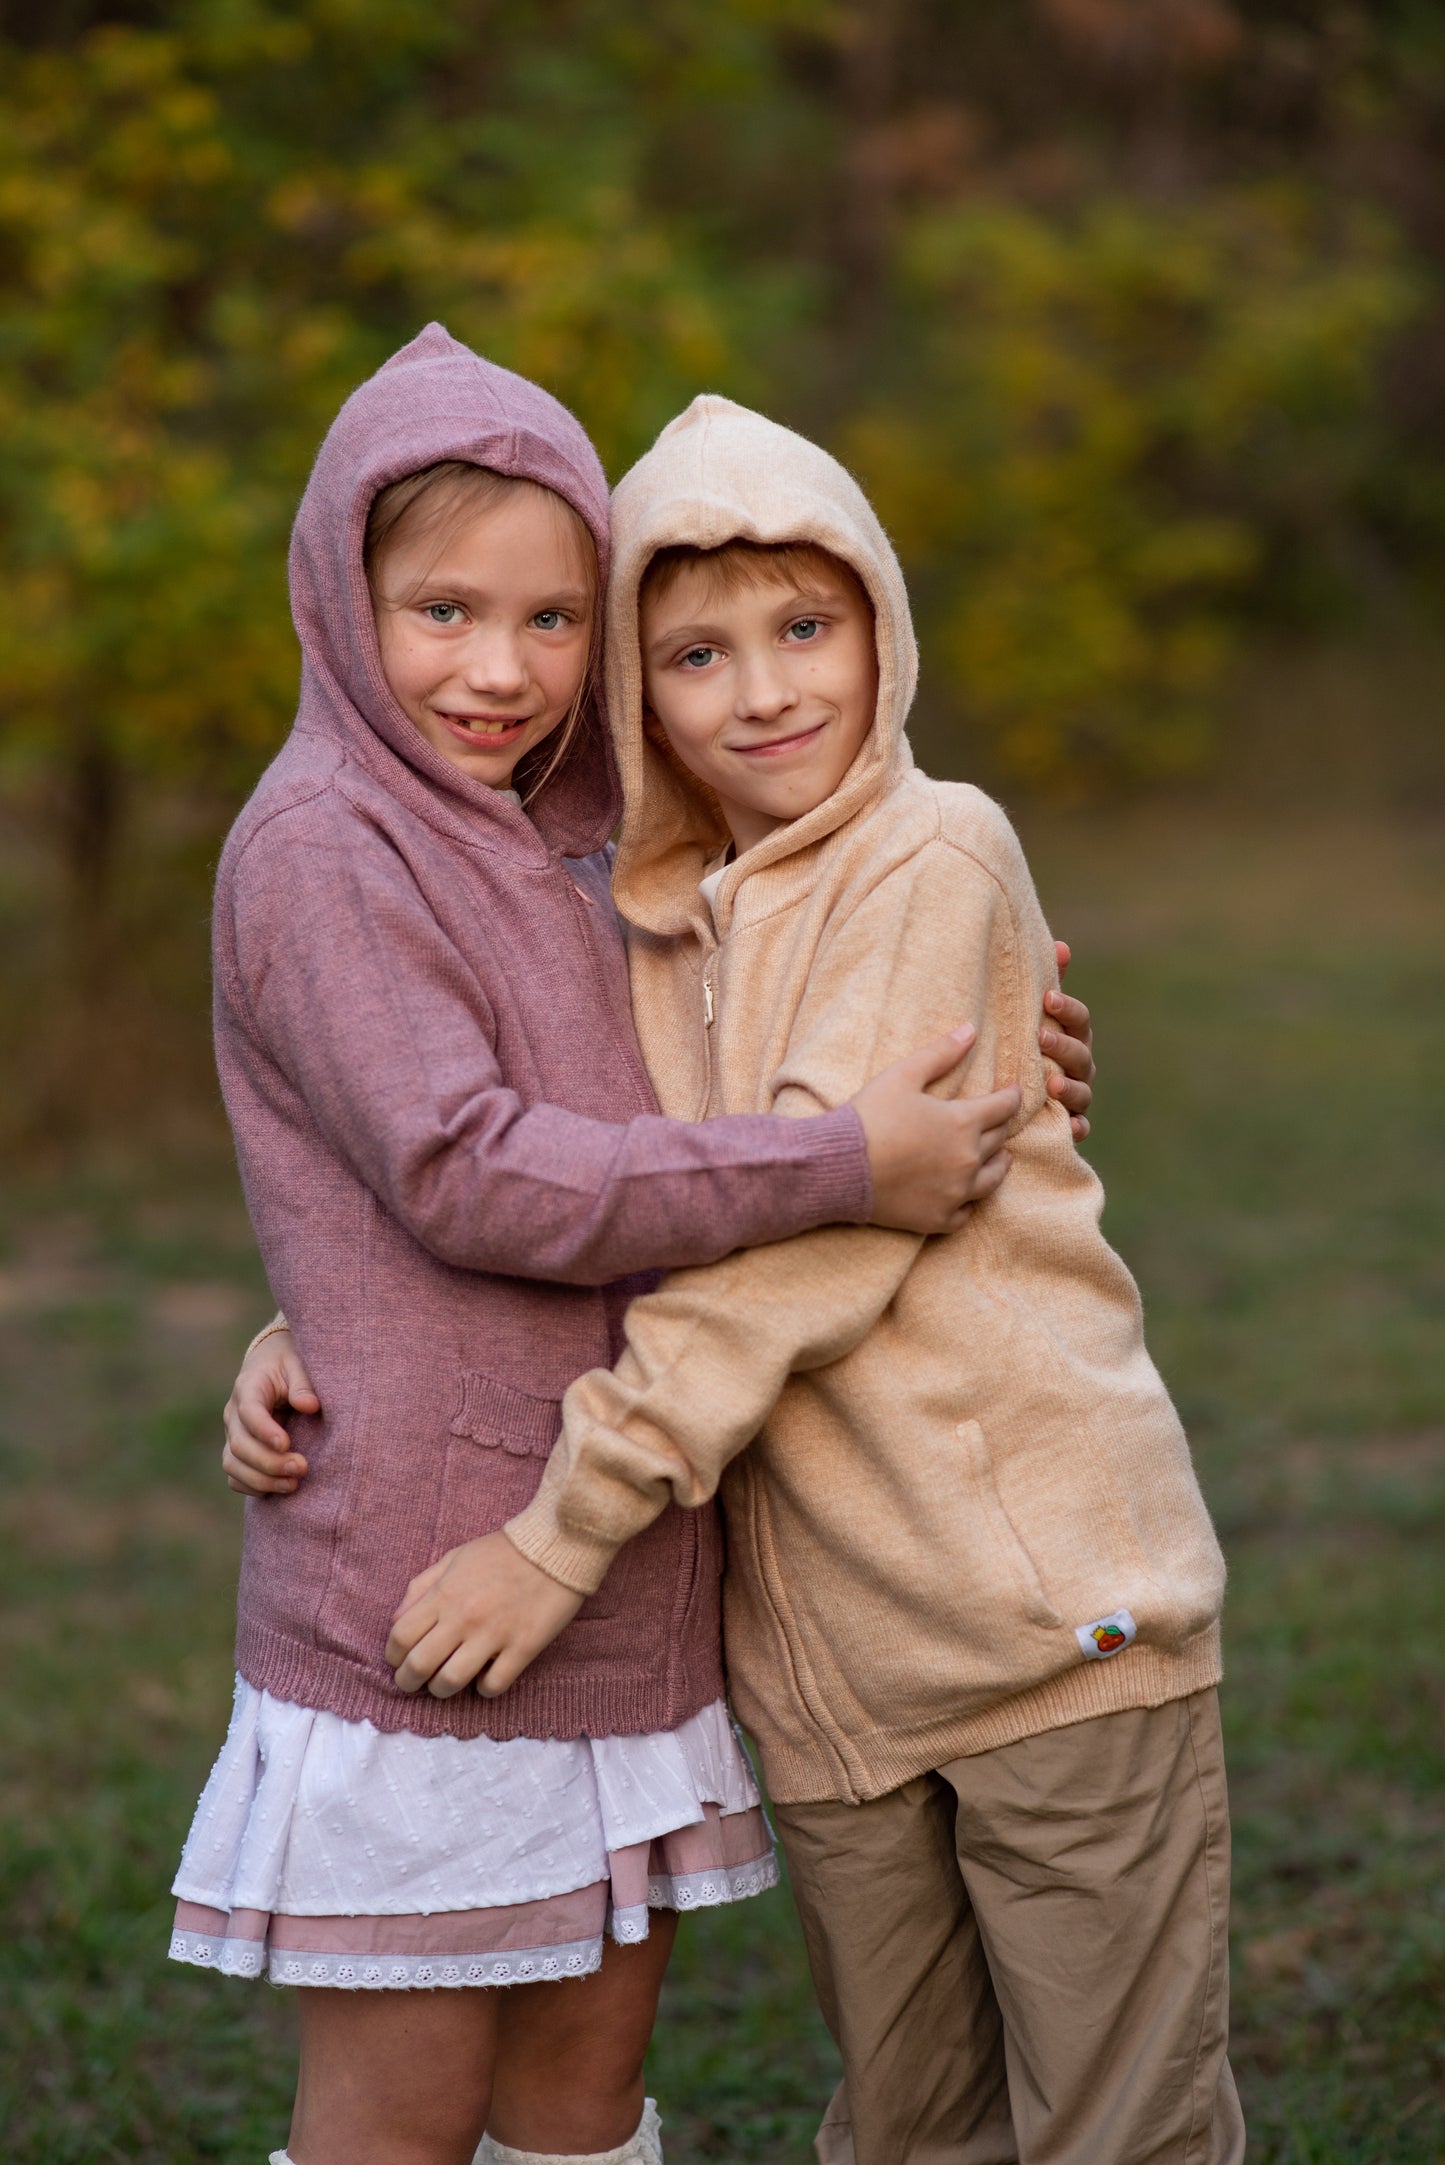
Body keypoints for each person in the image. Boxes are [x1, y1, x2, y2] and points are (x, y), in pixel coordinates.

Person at [180, 325, 1095, 2165]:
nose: (497, 673)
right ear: (340, 600)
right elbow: (468, 1170)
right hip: (437, 1592)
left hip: (624, 1584)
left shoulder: (588, 847)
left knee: (583, 2098)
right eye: (441, 612)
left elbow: (717, 1067)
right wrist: (841, 1160)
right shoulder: (324, 846)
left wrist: (999, 1044)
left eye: (545, 622)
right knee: (403, 2115)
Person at [386, 396, 1242, 2165]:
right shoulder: (642, 929)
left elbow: (813, 1230)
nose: (765, 690)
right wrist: (308, 1325)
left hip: (1040, 1622)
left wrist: (565, 1528)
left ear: (880, 626)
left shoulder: (933, 849)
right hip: (828, 1674)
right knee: (906, 2129)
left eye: (807, 627)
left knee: (1118, 2128)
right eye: (695, 652)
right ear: (632, 691)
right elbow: (555, 1180)